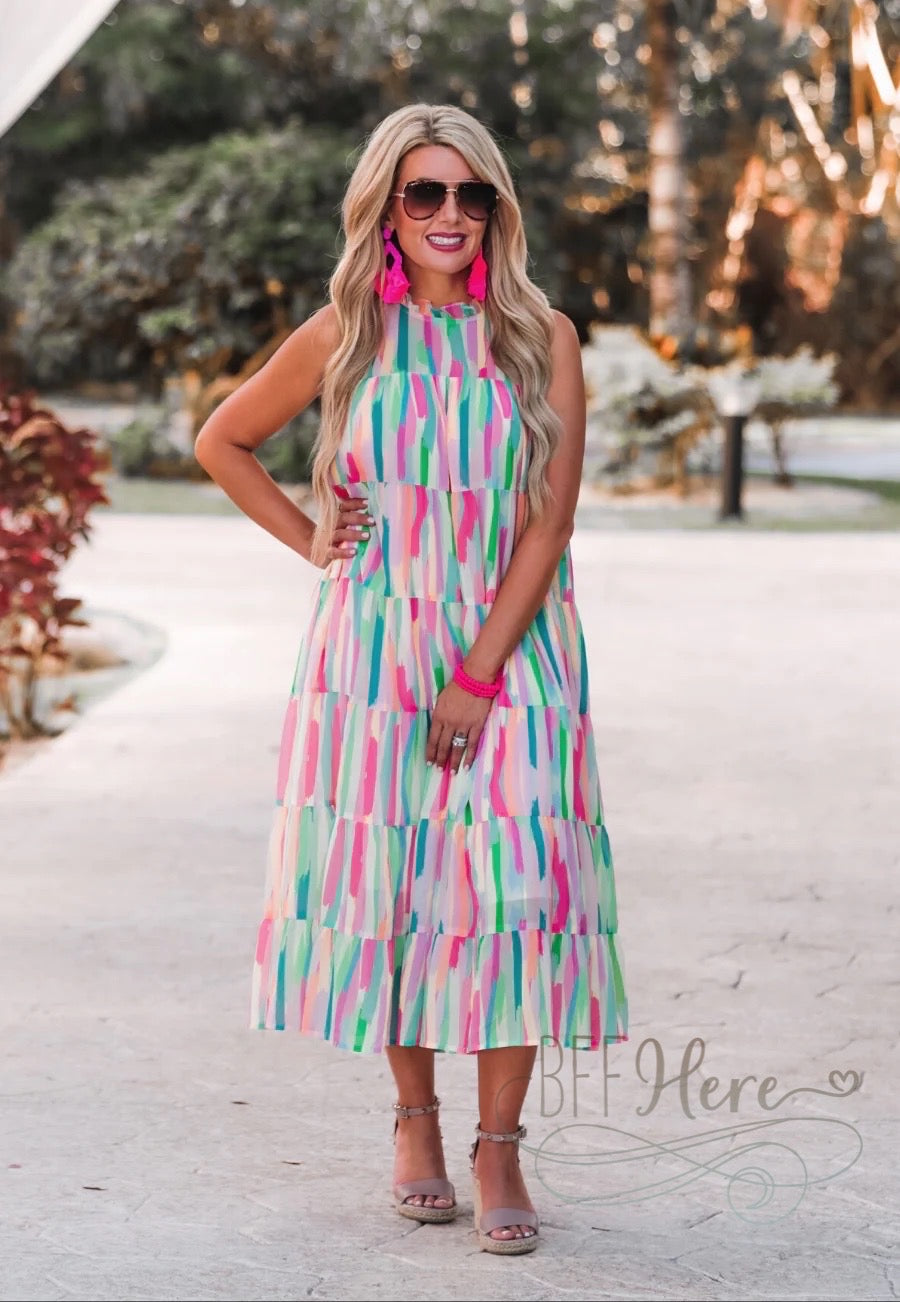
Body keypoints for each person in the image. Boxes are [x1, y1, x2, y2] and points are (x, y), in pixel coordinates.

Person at [194, 102, 628, 1256]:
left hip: (515, 649)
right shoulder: (344, 334)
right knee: (397, 882)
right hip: (372, 651)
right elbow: (222, 440)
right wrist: (313, 541)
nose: (450, 213)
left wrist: (478, 675)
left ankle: (501, 1149)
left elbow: (550, 524)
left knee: (517, 892)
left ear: (496, 209)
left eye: (471, 193)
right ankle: (416, 1125)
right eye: (426, 192)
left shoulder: (541, 336)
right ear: (387, 205)